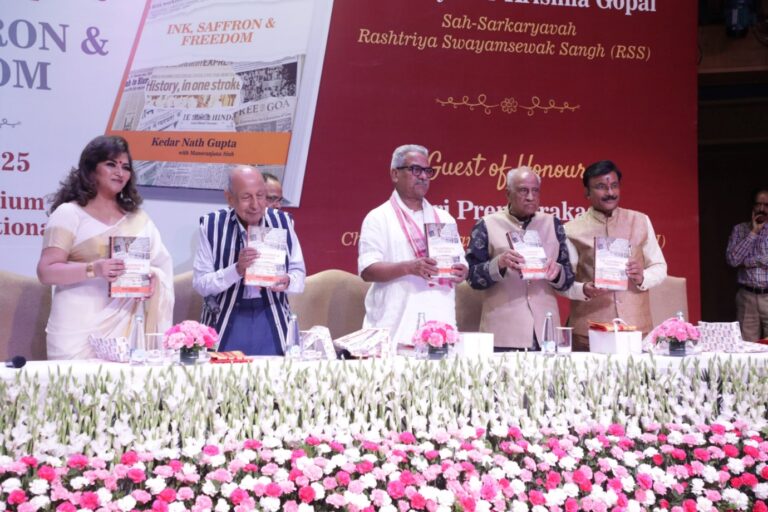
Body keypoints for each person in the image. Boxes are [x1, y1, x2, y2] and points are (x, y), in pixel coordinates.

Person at [37, 135, 174, 360]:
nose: (119, 172)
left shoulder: (138, 219)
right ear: (91, 170)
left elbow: (160, 266)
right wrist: (94, 270)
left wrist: (151, 281)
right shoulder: (69, 214)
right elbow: (46, 271)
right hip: (76, 326)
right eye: (111, 164)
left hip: (125, 325)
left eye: (125, 167)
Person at [358, 144, 468, 347]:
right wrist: (410, 267)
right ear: (395, 174)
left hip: (441, 327)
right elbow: (368, 270)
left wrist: (462, 271)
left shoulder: (444, 218)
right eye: (415, 170)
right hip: (396, 326)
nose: (424, 177)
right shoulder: (378, 217)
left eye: (427, 171)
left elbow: (460, 264)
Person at [193, 166, 305, 355]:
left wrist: (287, 281)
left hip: (271, 317)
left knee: (274, 380)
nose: (255, 205)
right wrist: (236, 270)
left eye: (261, 196)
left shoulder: (284, 222)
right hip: (226, 317)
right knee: (224, 380)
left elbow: (299, 275)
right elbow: (201, 284)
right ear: (230, 198)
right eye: (246, 197)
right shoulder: (211, 225)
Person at [562, 160, 667, 351]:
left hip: (636, 331)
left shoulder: (640, 221)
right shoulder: (570, 230)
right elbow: (563, 283)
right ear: (587, 192)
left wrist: (643, 276)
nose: (610, 193)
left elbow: (660, 267)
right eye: (601, 187)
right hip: (589, 332)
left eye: (614, 186)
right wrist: (583, 289)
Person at [466, 167, 574, 350]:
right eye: (523, 190)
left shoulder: (553, 224)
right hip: (503, 332)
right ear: (508, 193)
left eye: (535, 191)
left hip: (547, 333)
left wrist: (557, 273)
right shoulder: (486, 224)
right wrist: (498, 263)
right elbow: (472, 277)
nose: (530, 197)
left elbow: (568, 278)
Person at [726, 187, 768, 341]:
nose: (762, 209)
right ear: (753, 206)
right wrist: (754, 233)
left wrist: (749, 261)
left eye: (766, 205)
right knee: (747, 347)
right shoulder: (740, 230)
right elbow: (733, 260)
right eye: (758, 204)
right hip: (747, 296)